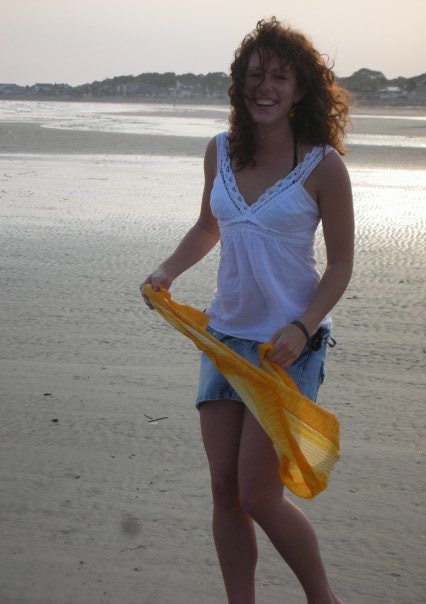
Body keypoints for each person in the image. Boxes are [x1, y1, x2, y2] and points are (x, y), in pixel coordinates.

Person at [140, 17, 354, 604]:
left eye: (279, 77)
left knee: (260, 493)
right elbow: (209, 226)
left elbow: (339, 266)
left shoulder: (324, 167)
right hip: (223, 338)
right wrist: (167, 271)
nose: (265, 86)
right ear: (240, 85)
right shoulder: (219, 152)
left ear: (301, 89)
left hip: (285, 345)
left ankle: (323, 598)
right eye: (255, 75)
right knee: (223, 489)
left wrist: (301, 325)